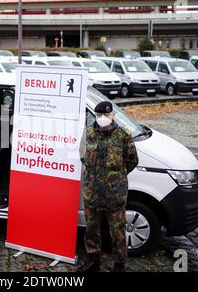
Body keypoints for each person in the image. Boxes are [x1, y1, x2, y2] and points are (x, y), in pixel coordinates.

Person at [77, 101, 138, 272]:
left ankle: (119, 264)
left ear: (113, 115)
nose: (102, 118)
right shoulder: (87, 133)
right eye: (98, 115)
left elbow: (132, 161)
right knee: (91, 229)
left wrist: (115, 177)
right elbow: (82, 156)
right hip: (92, 192)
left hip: (114, 193)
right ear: (95, 116)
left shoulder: (123, 136)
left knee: (117, 231)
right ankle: (93, 260)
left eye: (106, 115)